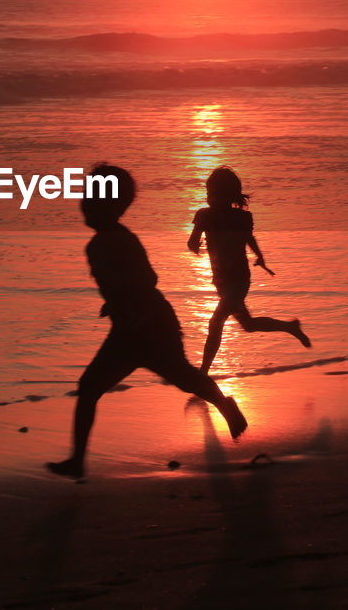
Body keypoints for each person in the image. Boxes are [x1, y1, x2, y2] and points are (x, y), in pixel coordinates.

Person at [47, 164, 247, 479]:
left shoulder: (112, 242)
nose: (84, 204)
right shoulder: (110, 240)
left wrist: (130, 308)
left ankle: (227, 407)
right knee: (93, 387)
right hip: (133, 327)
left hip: (148, 326)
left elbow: (146, 278)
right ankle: (77, 461)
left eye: (92, 199)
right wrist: (114, 304)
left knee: (182, 379)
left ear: (112, 205)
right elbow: (129, 282)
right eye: (84, 197)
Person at [189, 166, 309, 375]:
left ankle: (203, 373)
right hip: (221, 281)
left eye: (213, 193)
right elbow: (192, 242)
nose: (209, 197)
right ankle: (290, 327)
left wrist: (259, 256)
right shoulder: (204, 215)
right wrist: (195, 244)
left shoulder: (242, 217)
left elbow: (248, 239)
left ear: (227, 195)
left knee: (215, 321)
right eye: (207, 192)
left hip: (238, 280)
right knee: (249, 324)